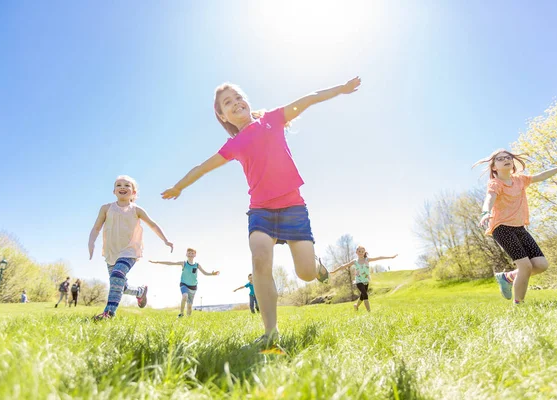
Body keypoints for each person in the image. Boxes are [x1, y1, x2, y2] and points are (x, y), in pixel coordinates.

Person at [161, 77, 361, 347]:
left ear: (247, 100)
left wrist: (341, 89)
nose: (236, 103)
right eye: (227, 103)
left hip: (293, 208)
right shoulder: (234, 145)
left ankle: (316, 264)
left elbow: (310, 98)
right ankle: (270, 333)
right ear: (222, 115)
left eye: (238, 97)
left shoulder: (273, 118)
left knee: (306, 274)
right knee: (260, 260)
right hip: (261, 211)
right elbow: (202, 167)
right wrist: (178, 186)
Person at [474, 149, 557, 305]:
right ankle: (520, 305)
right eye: (501, 159)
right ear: (494, 167)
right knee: (525, 266)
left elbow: (542, 176)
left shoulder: (520, 180)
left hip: (519, 228)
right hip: (502, 228)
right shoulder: (495, 183)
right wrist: (485, 212)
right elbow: (489, 198)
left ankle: (508, 277)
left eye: (508, 157)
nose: (506, 159)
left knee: (541, 265)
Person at [88, 175, 173, 320]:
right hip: (111, 252)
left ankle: (108, 313)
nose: (122, 187)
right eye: (119, 185)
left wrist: (165, 240)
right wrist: (91, 242)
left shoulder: (137, 210)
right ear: (114, 191)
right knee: (120, 284)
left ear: (133, 192)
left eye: (127, 185)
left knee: (117, 276)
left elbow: (152, 224)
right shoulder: (106, 208)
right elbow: (96, 228)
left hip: (130, 251)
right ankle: (140, 292)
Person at [149, 248, 219, 317]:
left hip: (193, 287)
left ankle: (188, 319)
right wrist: (157, 262)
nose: (190, 254)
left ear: (195, 255)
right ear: (186, 254)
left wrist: (212, 274)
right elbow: (171, 263)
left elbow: (205, 273)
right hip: (184, 284)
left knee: (189, 307)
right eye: (189, 253)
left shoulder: (197, 265)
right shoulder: (184, 263)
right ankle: (181, 313)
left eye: (192, 253)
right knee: (185, 296)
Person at [330, 246, 398, 312]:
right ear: (356, 252)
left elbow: (379, 257)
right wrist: (334, 271)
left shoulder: (367, 259)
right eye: (359, 251)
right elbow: (343, 266)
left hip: (366, 280)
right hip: (359, 281)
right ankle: (369, 312)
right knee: (365, 295)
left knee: (362, 296)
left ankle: (356, 306)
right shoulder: (355, 261)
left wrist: (391, 257)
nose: (361, 253)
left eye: (362, 251)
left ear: (364, 252)